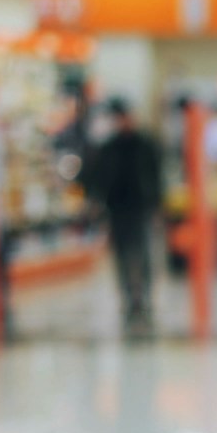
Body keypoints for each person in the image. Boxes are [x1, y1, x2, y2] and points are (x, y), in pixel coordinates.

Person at [85, 98, 164, 333]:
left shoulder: (146, 144)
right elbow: (99, 178)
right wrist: (98, 203)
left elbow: (156, 176)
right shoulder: (109, 148)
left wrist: (157, 204)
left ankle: (143, 298)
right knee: (122, 256)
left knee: (142, 255)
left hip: (141, 208)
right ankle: (130, 299)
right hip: (118, 210)